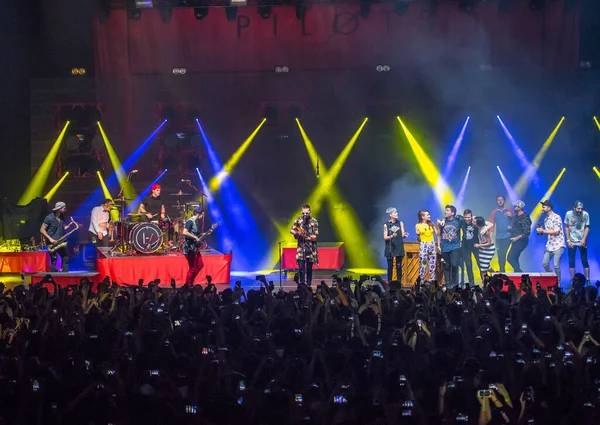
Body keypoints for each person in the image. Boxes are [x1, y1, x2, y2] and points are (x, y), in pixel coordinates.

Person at [40, 201, 76, 272]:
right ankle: (52, 276)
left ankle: (65, 275)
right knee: (54, 260)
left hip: (59, 242)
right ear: (59, 209)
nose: (65, 210)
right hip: (52, 243)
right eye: (64, 208)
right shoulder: (49, 218)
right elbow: (42, 230)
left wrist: (70, 225)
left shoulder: (62, 217)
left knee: (65, 257)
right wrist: (50, 239)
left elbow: (64, 227)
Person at [182, 206, 214, 286]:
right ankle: (188, 284)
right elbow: (185, 232)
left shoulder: (195, 222)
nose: (203, 216)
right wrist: (196, 237)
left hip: (194, 248)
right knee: (192, 268)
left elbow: (197, 234)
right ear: (200, 213)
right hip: (189, 249)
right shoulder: (190, 221)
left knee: (200, 265)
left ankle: (191, 280)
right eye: (203, 214)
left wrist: (206, 233)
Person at [536, 199, 565, 283]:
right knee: (544, 263)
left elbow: (556, 232)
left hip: (558, 244)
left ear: (549, 208)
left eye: (543, 207)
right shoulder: (546, 219)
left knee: (556, 265)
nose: (542, 209)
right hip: (550, 245)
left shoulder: (556, 217)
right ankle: (553, 278)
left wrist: (543, 231)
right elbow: (547, 232)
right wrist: (540, 232)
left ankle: (558, 283)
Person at [290, 204, 319, 285]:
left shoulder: (314, 221)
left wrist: (307, 237)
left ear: (310, 212)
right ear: (301, 212)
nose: (305, 215)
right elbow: (291, 230)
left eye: (306, 213)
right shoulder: (298, 220)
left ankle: (309, 283)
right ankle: (302, 284)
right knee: (301, 268)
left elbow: (315, 236)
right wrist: (297, 232)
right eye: (303, 213)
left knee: (309, 268)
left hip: (310, 248)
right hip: (301, 248)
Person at [437, 205, 464, 289]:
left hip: (455, 246)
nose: (445, 212)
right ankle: (448, 283)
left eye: (448, 210)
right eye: (445, 210)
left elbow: (467, 221)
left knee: (454, 264)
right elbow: (438, 235)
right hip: (445, 247)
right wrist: (438, 246)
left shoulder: (457, 221)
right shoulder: (442, 222)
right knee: (447, 265)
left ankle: (454, 283)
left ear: (452, 213)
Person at [564, 200, 590, 282]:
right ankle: (573, 280)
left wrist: (584, 239)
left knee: (584, 260)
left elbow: (587, 227)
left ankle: (587, 280)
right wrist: (568, 240)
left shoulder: (585, 214)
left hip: (582, 241)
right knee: (571, 261)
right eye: (578, 208)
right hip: (572, 241)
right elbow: (566, 227)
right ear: (574, 208)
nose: (580, 210)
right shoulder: (568, 214)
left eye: (581, 208)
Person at [383, 207, 408, 283]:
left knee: (398, 266)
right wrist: (392, 236)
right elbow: (385, 237)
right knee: (390, 266)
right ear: (390, 214)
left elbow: (402, 234)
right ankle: (390, 281)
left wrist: (405, 235)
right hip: (390, 247)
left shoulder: (400, 223)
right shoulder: (386, 225)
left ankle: (398, 281)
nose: (397, 214)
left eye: (396, 212)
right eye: (395, 213)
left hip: (398, 246)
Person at [507, 200, 532, 273]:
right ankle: (517, 275)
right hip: (515, 240)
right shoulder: (516, 216)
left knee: (510, 258)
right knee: (515, 258)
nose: (514, 207)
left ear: (520, 207)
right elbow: (517, 227)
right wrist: (511, 229)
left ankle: (520, 273)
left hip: (521, 241)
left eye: (515, 206)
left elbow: (526, 232)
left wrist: (516, 238)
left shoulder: (525, 217)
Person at [489, 195, 513, 272]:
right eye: (498, 200)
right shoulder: (494, 212)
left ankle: (504, 270)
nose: (500, 201)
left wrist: (511, 217)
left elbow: (515, 221)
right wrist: (490, 237)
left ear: (504, 201)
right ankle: (502, 270)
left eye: (501, 199)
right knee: (500, 254)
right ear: (496, 202)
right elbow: (492, 225)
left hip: (507, 236)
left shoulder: (509, 210)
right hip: (498, 238)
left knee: (504, 253)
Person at [415, 209, 438, 283]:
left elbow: (437, 233)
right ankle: (421, 280)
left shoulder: (431, 224)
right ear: (422, 216)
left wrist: (438, 225)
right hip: (424, 245)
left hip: (431, 244)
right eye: (427, 215)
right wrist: (418, 234)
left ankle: (432, 281)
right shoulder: (418, 225)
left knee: (432, 263)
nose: (429, 216)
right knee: (423, 263)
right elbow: (418, 238)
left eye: (429, 214)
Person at [473, 216, 495, 282]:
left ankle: (485, 283)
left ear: (478, 224)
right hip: (483, 248)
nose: (472, 222)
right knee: (484, 266)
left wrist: (479, 245)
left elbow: (489, 242)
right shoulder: (480, 227)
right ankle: (495, 274)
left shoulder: (485, 231)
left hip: (488, 249)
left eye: (474, 222)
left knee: (483, 268)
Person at [461, 209, 479, 285]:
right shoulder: (461, 221)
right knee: (468, 266)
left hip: (475, 245)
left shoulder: (475, 221)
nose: (467, 219)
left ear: (471, 216)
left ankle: (485, 281)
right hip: (465, 246)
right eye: (465, 217)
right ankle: (472, 284)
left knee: (480, 264)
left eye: (468, 217)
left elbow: (488, 224)